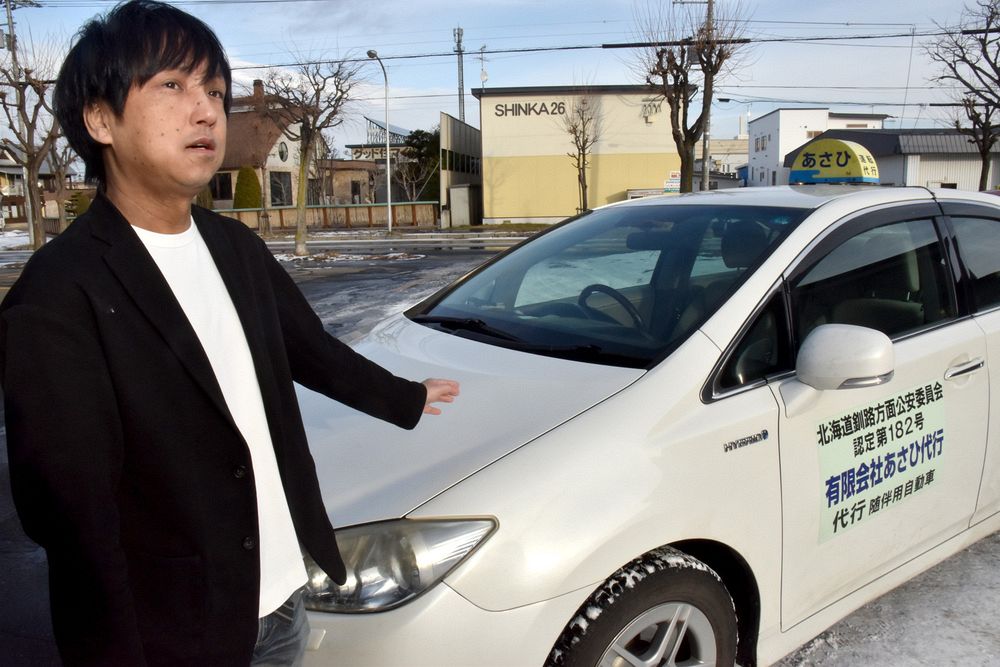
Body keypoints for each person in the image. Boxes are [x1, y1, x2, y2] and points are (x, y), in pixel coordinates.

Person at [0, 1, 460, 665]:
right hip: (177, 632)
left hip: (282, 600)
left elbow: (309, 347)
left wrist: (405, 397)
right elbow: (73, 519)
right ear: (100, 118)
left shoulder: (232, 244)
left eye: (214, 90)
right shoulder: (58, 293)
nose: (207, 110)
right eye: (172, 86)